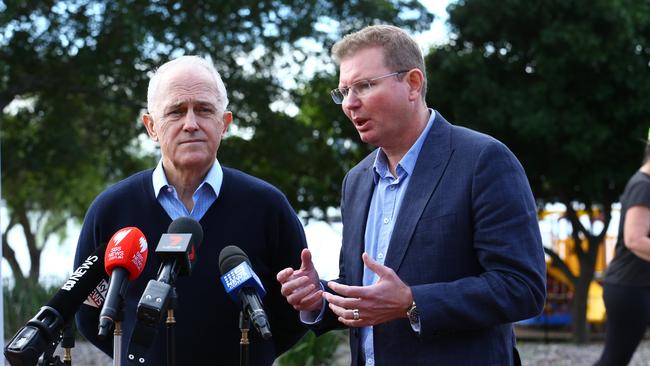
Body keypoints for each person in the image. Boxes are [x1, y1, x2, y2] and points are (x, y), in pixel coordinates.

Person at [277, 24, 546, 365]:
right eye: (343, 91)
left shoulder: (482, 161)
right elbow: (367, 292)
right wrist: (320, 297)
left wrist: (412, 301)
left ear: (413, 84)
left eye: (364, 85)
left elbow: (523, 288)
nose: (349, 104)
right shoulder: (356, 181)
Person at [74, 55, 307, 365]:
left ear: (224, 124)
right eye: (176, 111)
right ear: (151, 126)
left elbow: (294, 312)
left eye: (204, 110)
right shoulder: (111, 209)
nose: (191, 124)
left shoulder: (268, 206)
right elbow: (89, 314)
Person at [595, 140, 650, 366]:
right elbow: (634, 240)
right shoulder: (643, 185)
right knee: (614, 360)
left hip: (639, 286)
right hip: (630, 288)